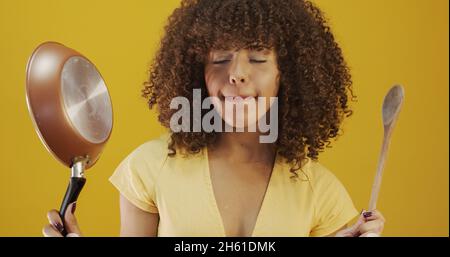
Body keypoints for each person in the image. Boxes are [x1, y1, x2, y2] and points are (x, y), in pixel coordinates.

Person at [43, 0, 385, 237]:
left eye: (257, 58)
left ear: (287, 75)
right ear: (197, 73)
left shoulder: (320, 191)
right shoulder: (150, 167)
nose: (236, 73)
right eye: (220, 58)